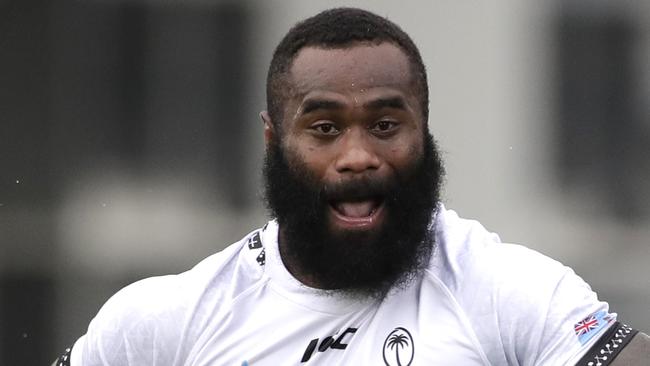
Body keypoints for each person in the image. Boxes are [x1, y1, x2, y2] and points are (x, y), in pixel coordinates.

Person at [54, 7, 649, 366]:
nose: (358, 156)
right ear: (272, 141)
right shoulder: (166, 320)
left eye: (386, 125)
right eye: (324, 128)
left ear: (424, 131)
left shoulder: (510, 294)